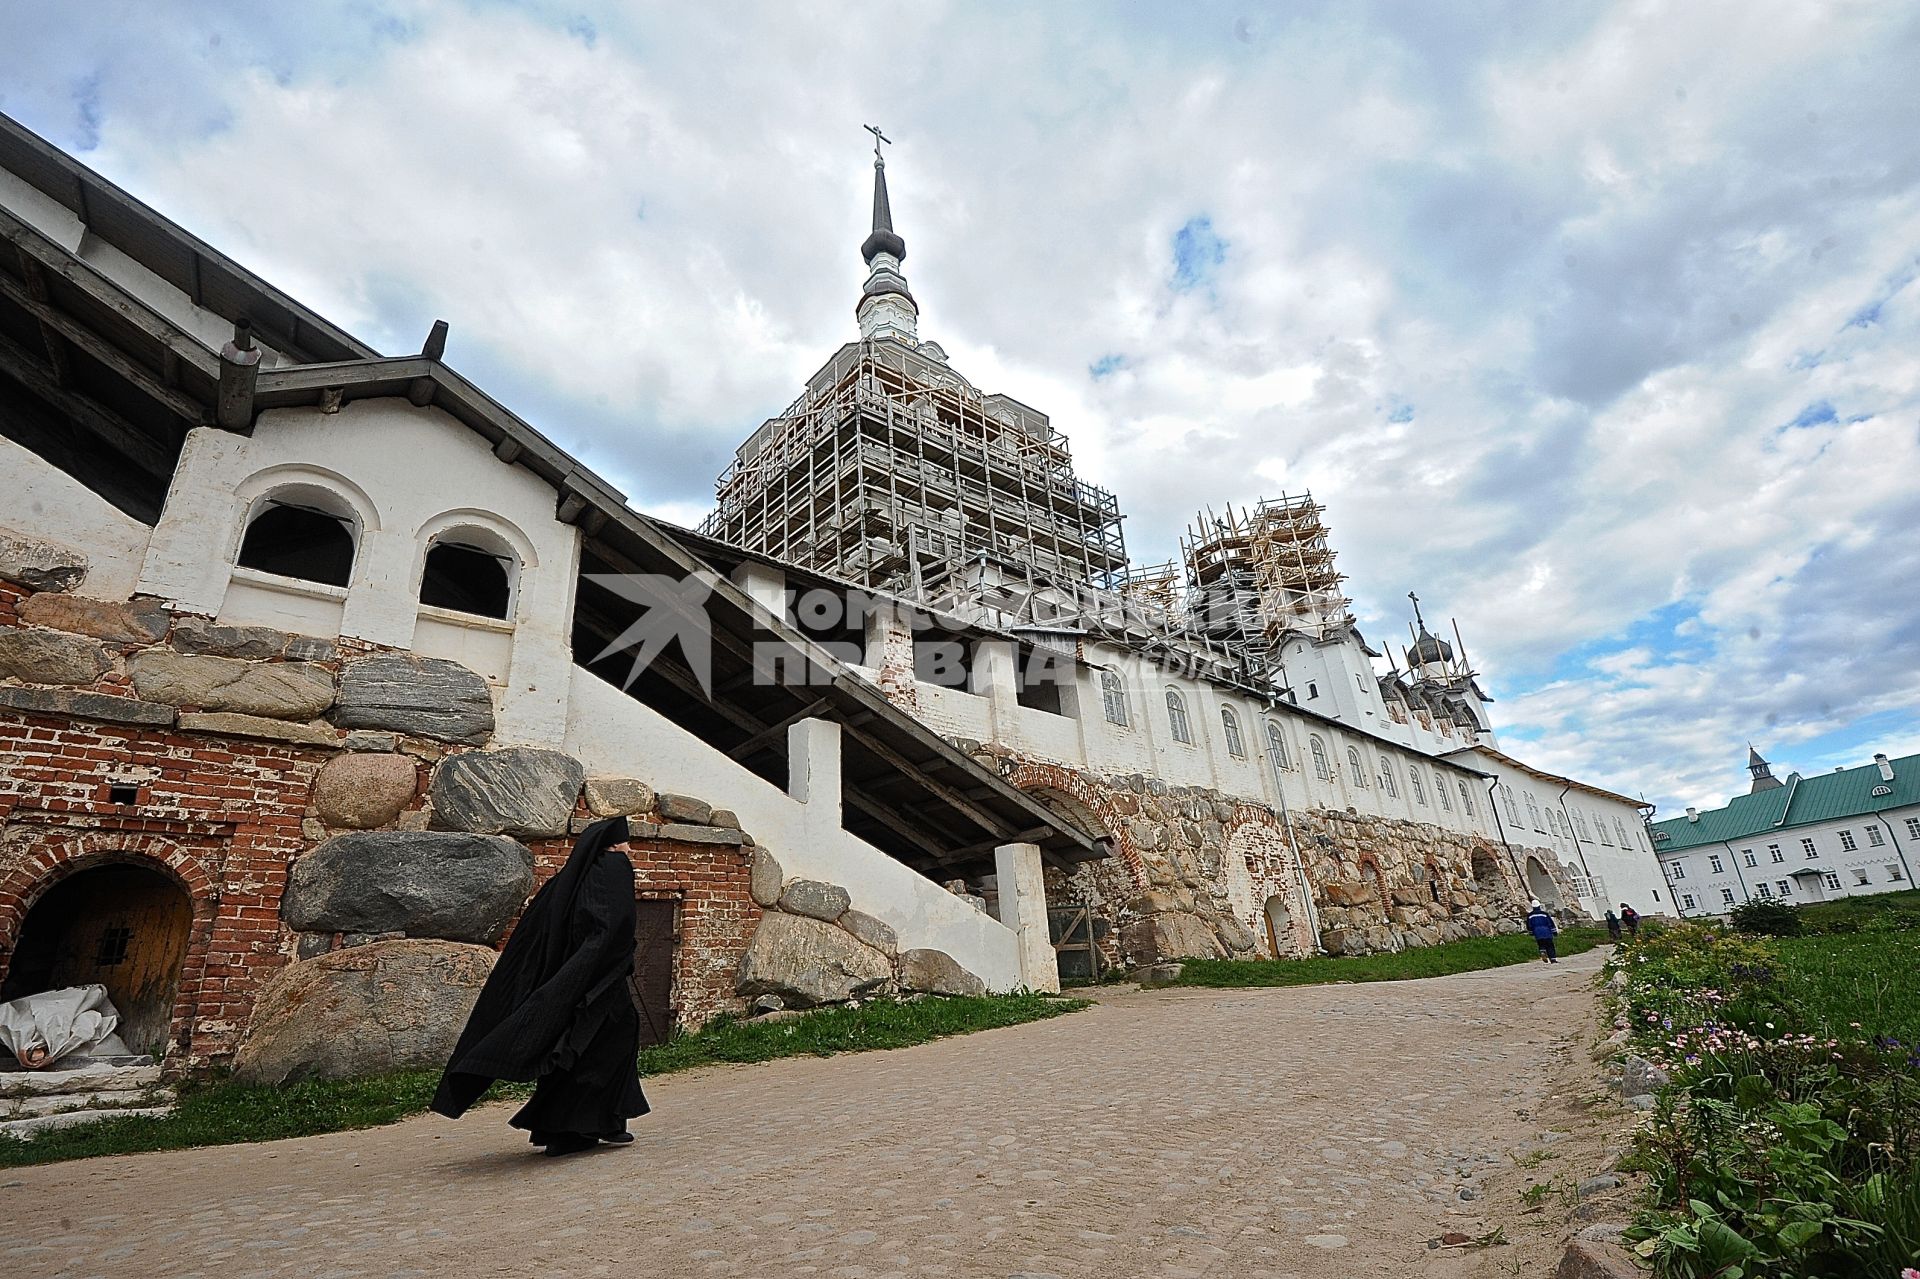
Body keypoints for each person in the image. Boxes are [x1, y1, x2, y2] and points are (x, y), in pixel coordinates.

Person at [431, 815, 649, 1156]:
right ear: (613, 845)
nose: (629, 849)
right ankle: (577, 1130)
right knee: (601, 1045)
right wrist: (610, 964)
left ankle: (599, 1124)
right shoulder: (613, 867)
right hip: (598, 979)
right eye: (626, 842)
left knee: (579, 1046)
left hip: (579, 976)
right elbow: (614, 925)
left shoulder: (572, 876)